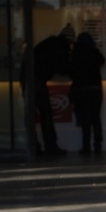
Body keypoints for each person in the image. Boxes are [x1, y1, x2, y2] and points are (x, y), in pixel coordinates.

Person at [20, 23, 75, 156]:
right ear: (70, 40)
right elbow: (63, 69)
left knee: (32, 115)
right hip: (36, 80)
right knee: (45, 114)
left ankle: (34, 147)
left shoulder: (51, 42)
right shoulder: (62, 47)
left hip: (27, 77)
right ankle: (50, 146)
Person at [69, 32, 105, 155]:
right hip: (96, 89)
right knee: (96, 119)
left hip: (82, 89)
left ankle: (86, 147)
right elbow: (102, 61)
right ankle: (98, 146)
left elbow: (71, 71)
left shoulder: (76, 54)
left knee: (86, 120)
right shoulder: (94, 52)